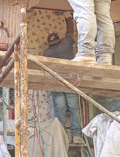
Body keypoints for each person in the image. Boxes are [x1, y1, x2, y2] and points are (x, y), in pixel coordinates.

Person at [43, 16, 84, 144]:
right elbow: (70, 32)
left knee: (59, 110)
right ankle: (76, 136)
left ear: (49, 44)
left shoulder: (46, 53)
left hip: (56, 84)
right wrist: (68, 19)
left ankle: (62, 136)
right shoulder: (66, 43)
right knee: (74, 109)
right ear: (59, 40)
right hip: (71, 82)